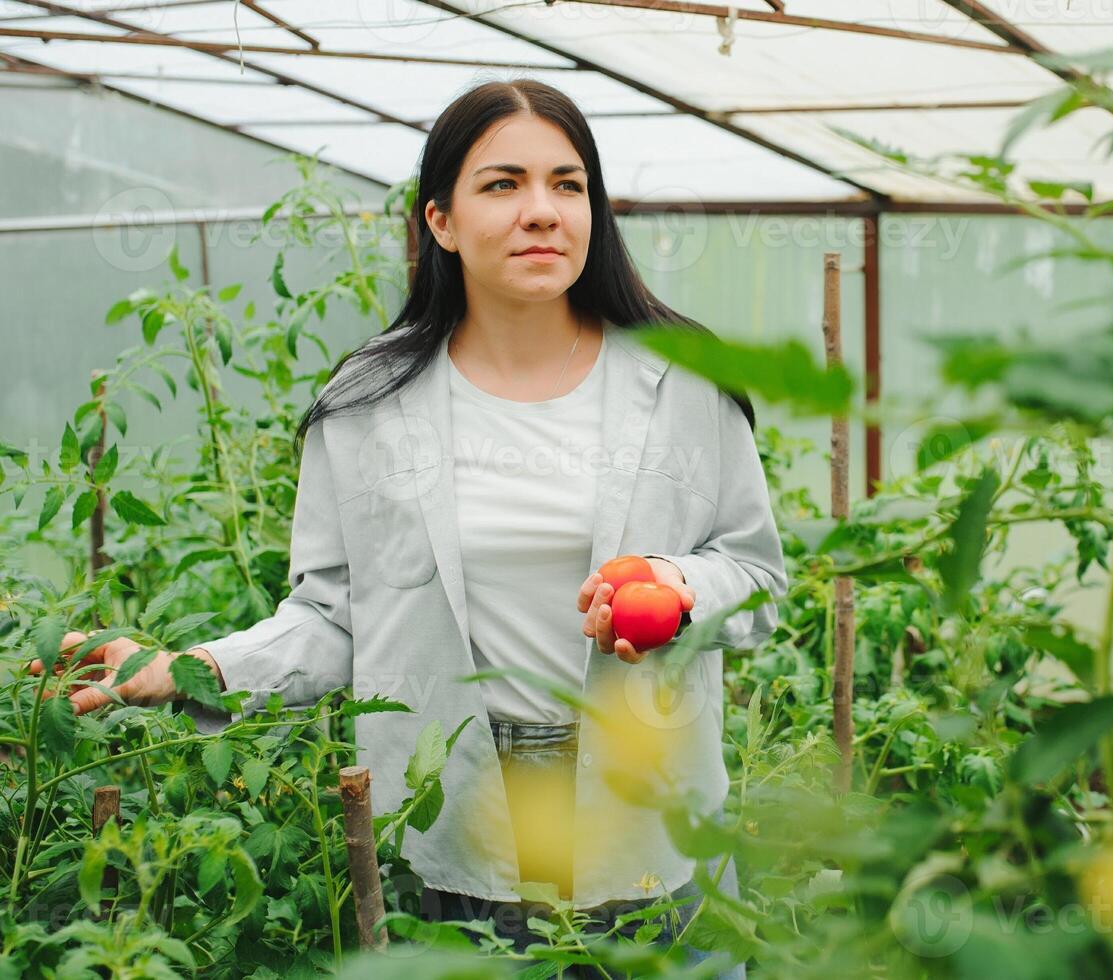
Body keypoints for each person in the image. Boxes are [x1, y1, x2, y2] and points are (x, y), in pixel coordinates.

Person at [32, 79, 787, 978]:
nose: (541, 211)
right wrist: (185, 670)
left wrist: (677, 585)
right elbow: (333, 617)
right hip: (458, 813)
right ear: (440, 220)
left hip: (651, 817)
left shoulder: (683, 385)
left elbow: (753, 570)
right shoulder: (369, 404)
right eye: (502, 185)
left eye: (567, 184)